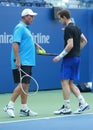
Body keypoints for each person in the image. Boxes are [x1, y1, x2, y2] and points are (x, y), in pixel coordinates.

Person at [4, 8, 45, 118]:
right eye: (31, 16)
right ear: (25, 16)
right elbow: (15, 44)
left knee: (26, 85)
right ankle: (9, 105)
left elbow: (26, 41)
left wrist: (36, 45)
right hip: (22, 61)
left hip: (28, 61)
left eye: (33, 16)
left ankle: (24, 109)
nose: (33, 18)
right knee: (23, 84)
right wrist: (18, 60)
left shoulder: (26, 29)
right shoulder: (20, 27)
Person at [53, 9, 90, 115]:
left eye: (60, 18)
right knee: (70, 83)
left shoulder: (68, 29)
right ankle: (83, 104)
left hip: (69, 59)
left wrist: (60, 56)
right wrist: (77, 51)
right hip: (77, 58)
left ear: (64, 17)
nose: (60, 20)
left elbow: (70, 45)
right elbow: (85, 40)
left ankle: (67, 107)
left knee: (64, 82)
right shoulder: (76, 28)